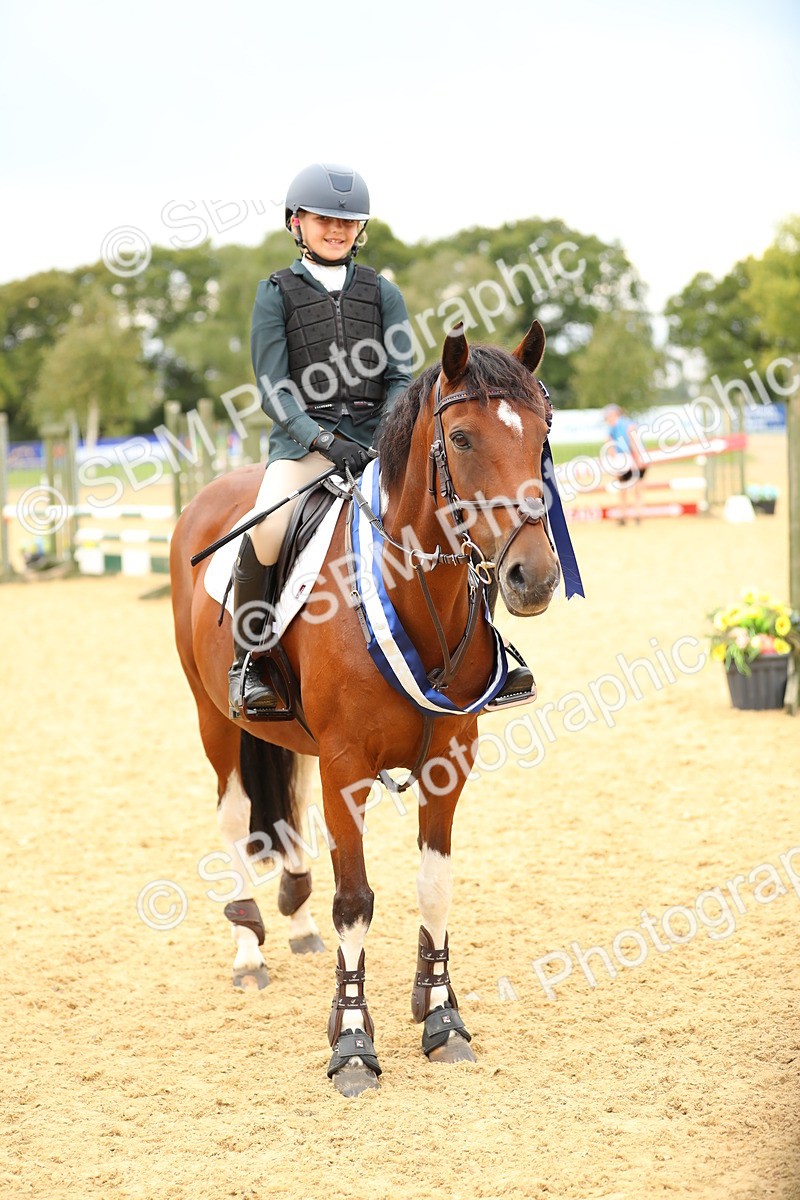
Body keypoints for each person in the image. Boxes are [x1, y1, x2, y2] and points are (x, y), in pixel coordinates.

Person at [229, 162, 534, 718]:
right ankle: (252, 661)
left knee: (456, 518)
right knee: (269, 529)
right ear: (297, 223)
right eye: (324, 220)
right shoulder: (274, 294)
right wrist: (321, 439)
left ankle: (490, 649)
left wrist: (388, 434)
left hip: (380, 445)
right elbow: (273, 387)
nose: (337, 230)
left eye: (347, 221)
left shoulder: (382, 292)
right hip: (303, 450)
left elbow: (400, 376)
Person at [602, 403, 648, 523]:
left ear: (614, 415)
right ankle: (638, 514)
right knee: (637, 488)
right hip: (634, 457)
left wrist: (615, 462)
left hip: (626, 459)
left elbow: (611, 445)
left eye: (608, 417)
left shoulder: (614, 428)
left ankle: (624, 514)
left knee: (624, 488)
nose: (607, 420)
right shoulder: (629, 424)